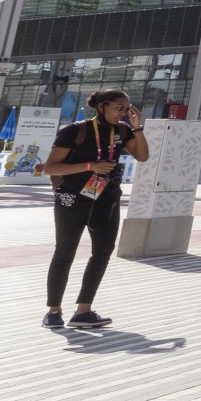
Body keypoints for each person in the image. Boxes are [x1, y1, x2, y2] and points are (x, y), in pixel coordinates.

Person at [42, 89, 149, 329]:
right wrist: (91, 165)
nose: (124, 112)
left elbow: (142, 156)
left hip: (106, 197)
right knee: (65, 253)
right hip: (73, 197)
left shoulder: (122, 130)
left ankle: (83, 310)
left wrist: (137, 126)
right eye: (119, 108)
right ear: (102, 106)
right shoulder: (74, 131)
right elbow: (51, 168)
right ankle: (53, 311)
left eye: (128, 108)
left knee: (103, 252)